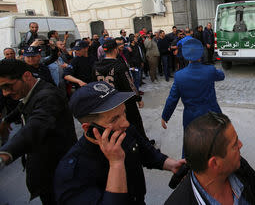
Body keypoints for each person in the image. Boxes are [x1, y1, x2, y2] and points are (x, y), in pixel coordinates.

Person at [54, 81, 185, 205]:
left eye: (123, 112)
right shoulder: (71, 175)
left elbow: (148, 154)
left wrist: (171, 164)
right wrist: (116, 163)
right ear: (89, 129)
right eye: (114, 118)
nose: (125, 123)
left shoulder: (125, 131)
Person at [0, 59, 77, 205]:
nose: (5, 93)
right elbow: (23, 106)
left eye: (8, 86)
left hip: (56, 173)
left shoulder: (48, 96)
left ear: (27, 76)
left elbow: (36, 125)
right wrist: (7, 120)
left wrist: (6, 153)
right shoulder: (34, 91)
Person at [165, 112, 255, 205]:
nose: (241, 145)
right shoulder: (179, 201)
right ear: (214, 163)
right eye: (234, 145)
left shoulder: (239, 166)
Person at [161, 39, 225, 153]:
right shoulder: (209, 70)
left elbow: (172, 99)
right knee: (215, 143)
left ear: (185, 56)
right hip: (212, 113)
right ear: (201, 54)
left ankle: (189, 168)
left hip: (191, 117)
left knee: (191, 147)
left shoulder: (179, 76)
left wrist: (165, 116)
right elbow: (221, 76)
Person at [93, 39, 146, 138]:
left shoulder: (96, 66)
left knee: (115, 127)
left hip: (106, 102)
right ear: (115, 50)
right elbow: (129, 84)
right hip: (124, 101)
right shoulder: (118, 65)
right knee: (134, 123)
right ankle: (142, 144)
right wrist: (138, 98)